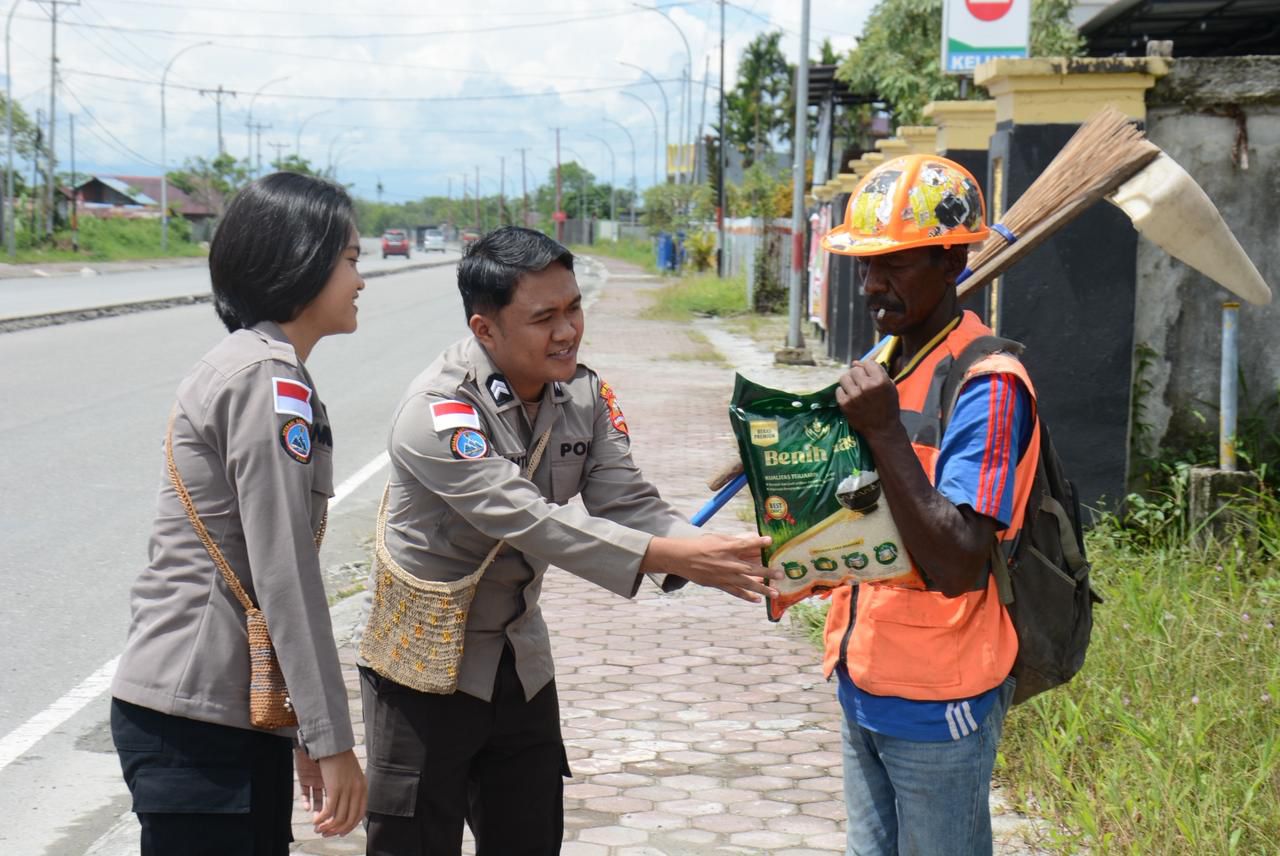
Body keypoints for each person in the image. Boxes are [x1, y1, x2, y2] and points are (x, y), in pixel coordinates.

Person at [361, 225, 778, 855]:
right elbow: (529, 519)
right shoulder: (438, 410)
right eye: (544, 317)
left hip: (520, 664)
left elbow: (627, 500)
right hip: (423, 668)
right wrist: (674, 557)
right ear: (485, 329)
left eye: (574, 308)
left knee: (530, 838)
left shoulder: (583, 394)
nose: (568, 331)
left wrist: (716, 554)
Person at [110, 172, 368, 855]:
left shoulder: (265, 366)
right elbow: (284, 573)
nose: (361, 280)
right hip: (197, 721)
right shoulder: (265, 378)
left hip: (220, 710)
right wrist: (329, 736)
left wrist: (296, 729)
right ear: (301, 262)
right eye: (350, 260)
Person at [819, 155, 1041, 856]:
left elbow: (958, 562)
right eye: (865, 265)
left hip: (940, 692)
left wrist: (881, 428)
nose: (873, 284)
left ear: (951, 263)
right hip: (862, 674)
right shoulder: (888, 361)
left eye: (897, 264)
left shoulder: (990, 382)